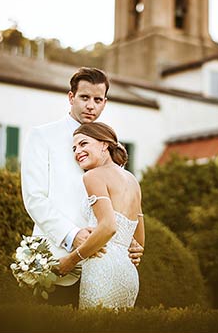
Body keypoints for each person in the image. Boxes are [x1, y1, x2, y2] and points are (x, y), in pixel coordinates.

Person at [21, 67, 144, 306]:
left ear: (105, 103)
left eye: (98, 100)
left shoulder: (106, 143)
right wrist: (72, 235)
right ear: (71, 97)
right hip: (57, 262)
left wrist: (131, 242)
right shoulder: (42, 136)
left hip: (104, 267)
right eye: (84, 97)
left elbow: (120, 205)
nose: (91, 106)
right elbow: (34, 198)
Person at [56, 122, 144, 309]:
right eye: (74, 148)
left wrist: (70, 261)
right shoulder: (132, 180)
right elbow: (139, 240)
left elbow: (108, 226)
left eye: (83, 144)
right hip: (128, 274)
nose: (77, 151)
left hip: (101, 267)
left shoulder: (93, 176)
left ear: (104, 144)